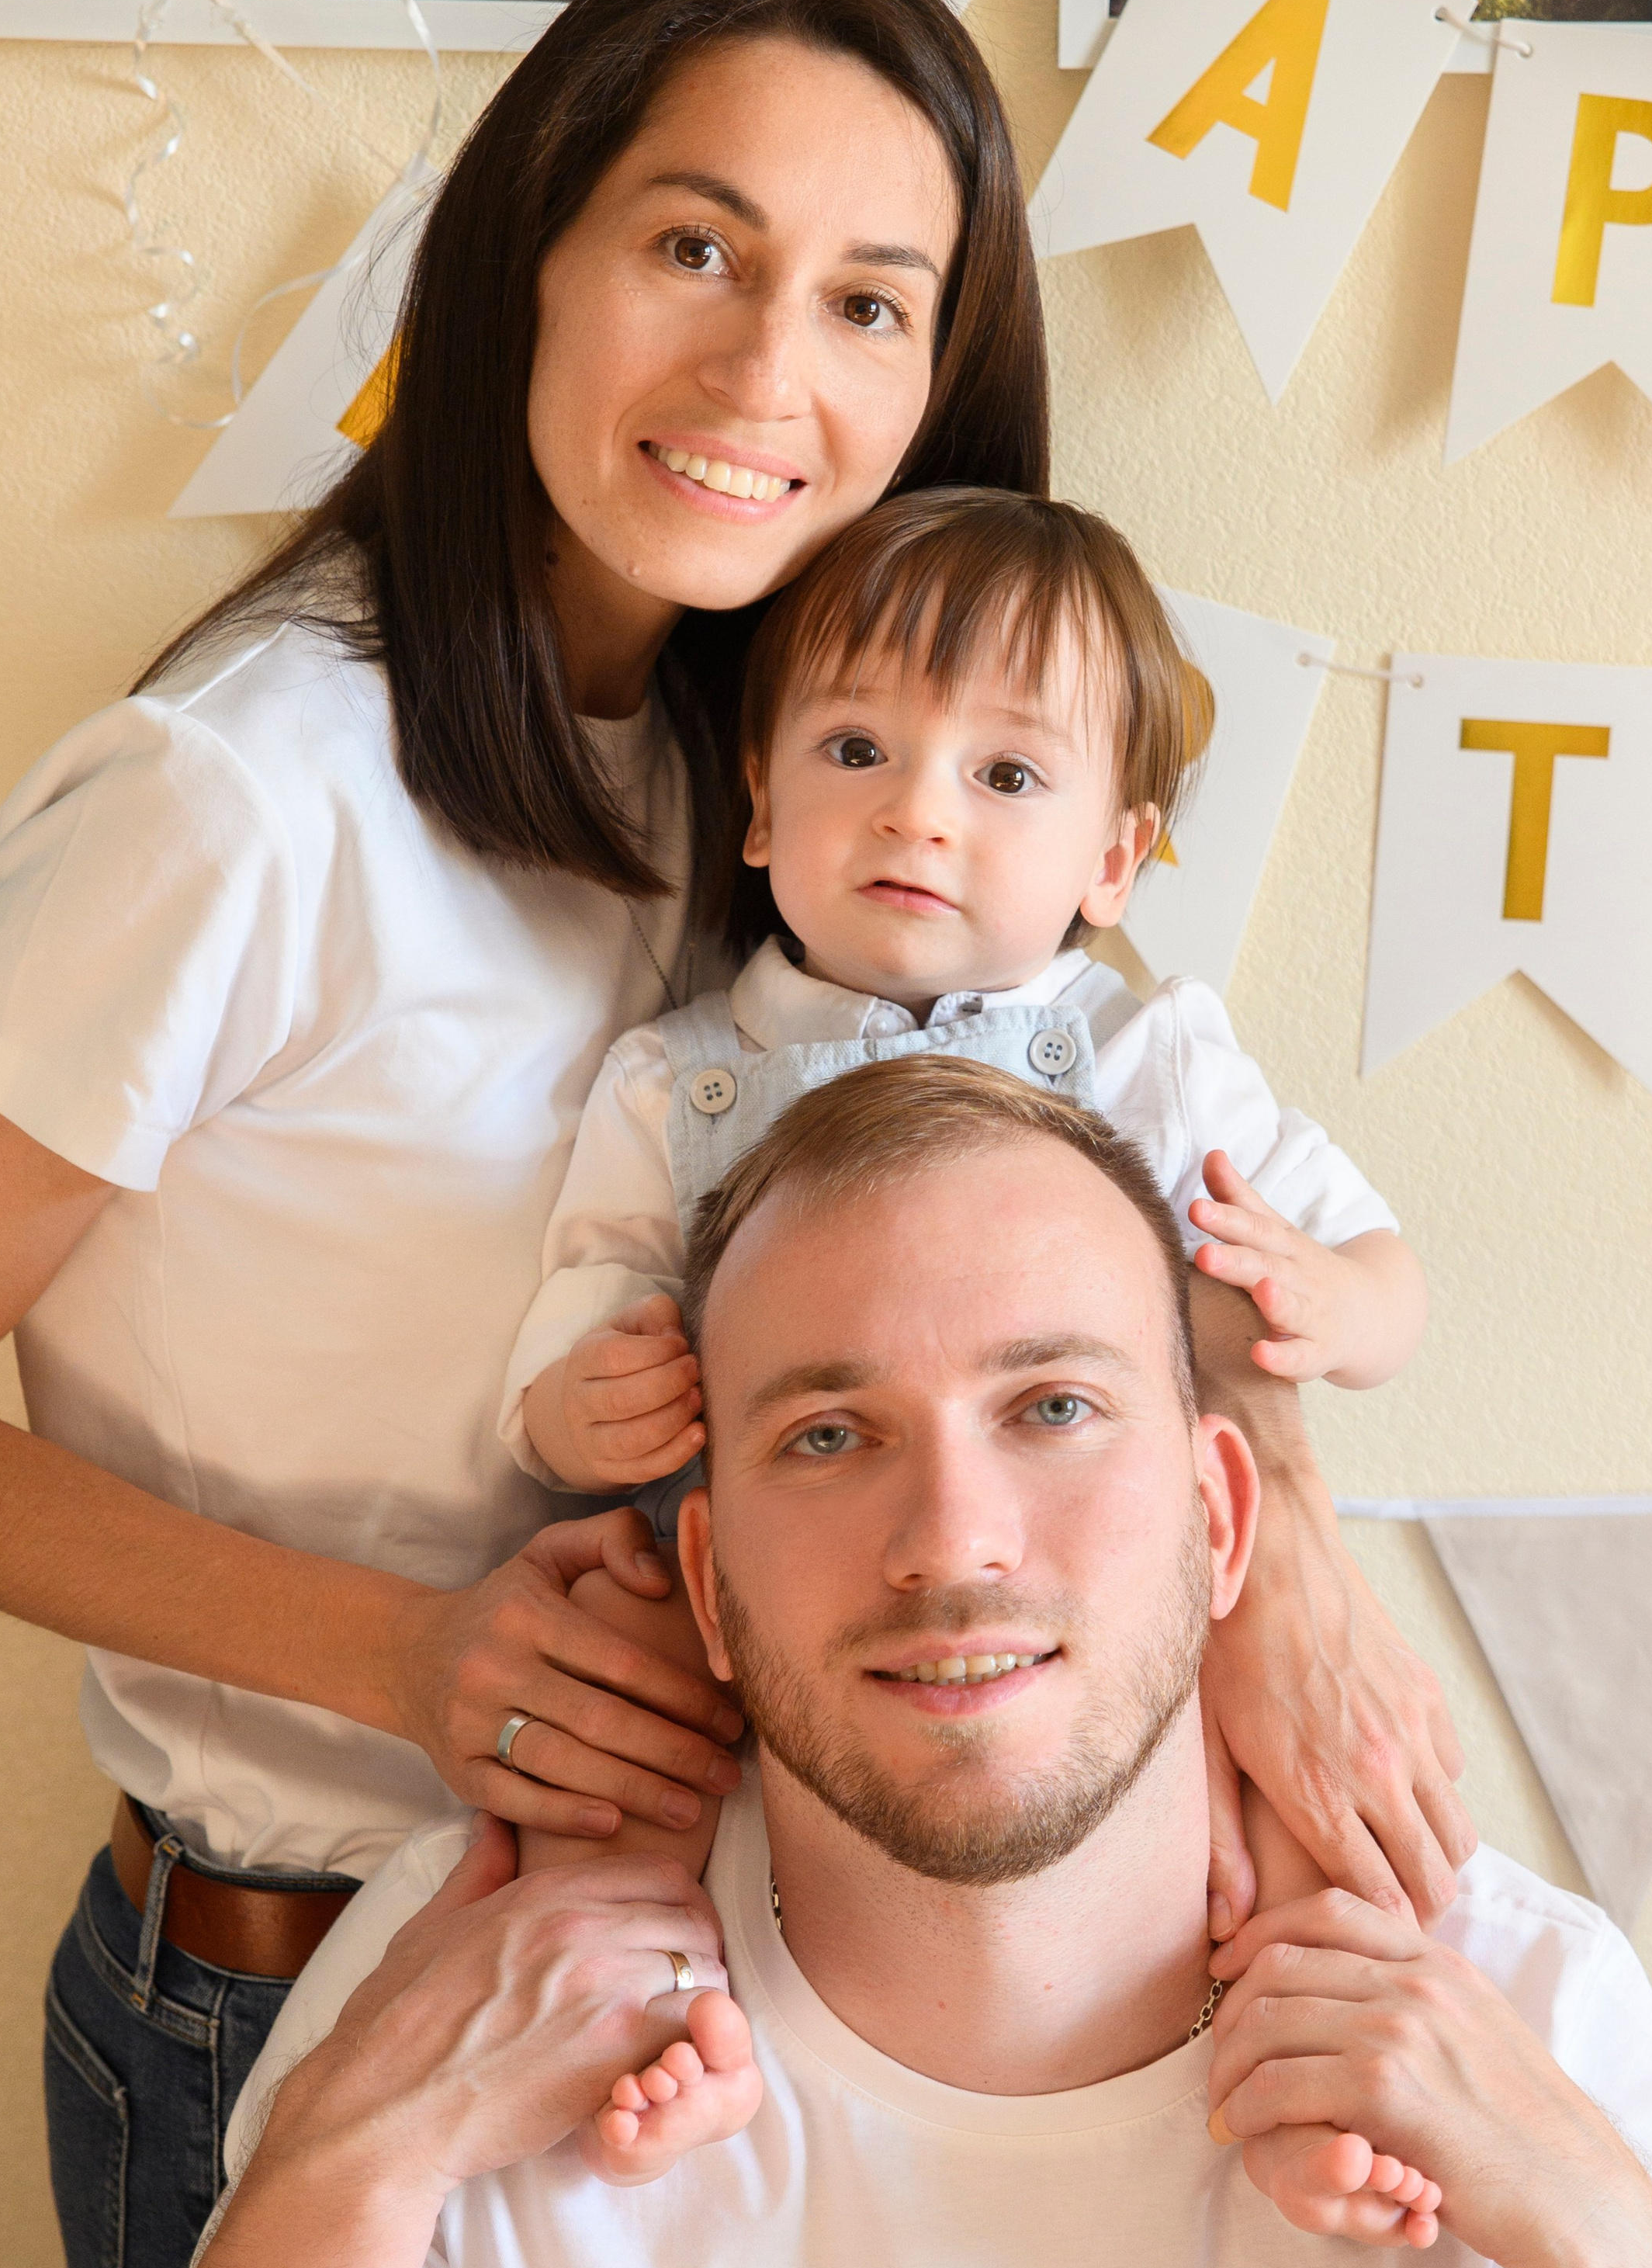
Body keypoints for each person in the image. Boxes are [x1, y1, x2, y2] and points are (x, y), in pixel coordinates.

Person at [0, 0, 1464, 2268]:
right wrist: (398, 1656)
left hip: (730, 1992)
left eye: (868, 300)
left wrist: (1284, 1560)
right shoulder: (240, 805)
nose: (762, 371)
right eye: (697, 249)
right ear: (529, 260)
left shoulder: (817, 760)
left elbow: (1094, 1164)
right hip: (309, 1966)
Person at [22, 1059, 1652, 2268]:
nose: (952, 1540)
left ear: (1224, 1518)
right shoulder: (484, 1977)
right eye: (831, 1438)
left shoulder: (1524, 2029)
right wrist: (357, 2157)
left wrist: (1592, 2251)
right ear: (705, 1581)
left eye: (1051, 1407)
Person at [508, 485, 1427, 1509]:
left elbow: (1376, 1266)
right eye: (857, 751)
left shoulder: (1149, 1057)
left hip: (1084, 1599)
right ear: (762, 806)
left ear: (1113, 860)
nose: (918, 813)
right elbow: (580, 1314)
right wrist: (575, 1412)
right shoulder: (673, 1084)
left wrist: (1340, 1307)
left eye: (1006, 773)